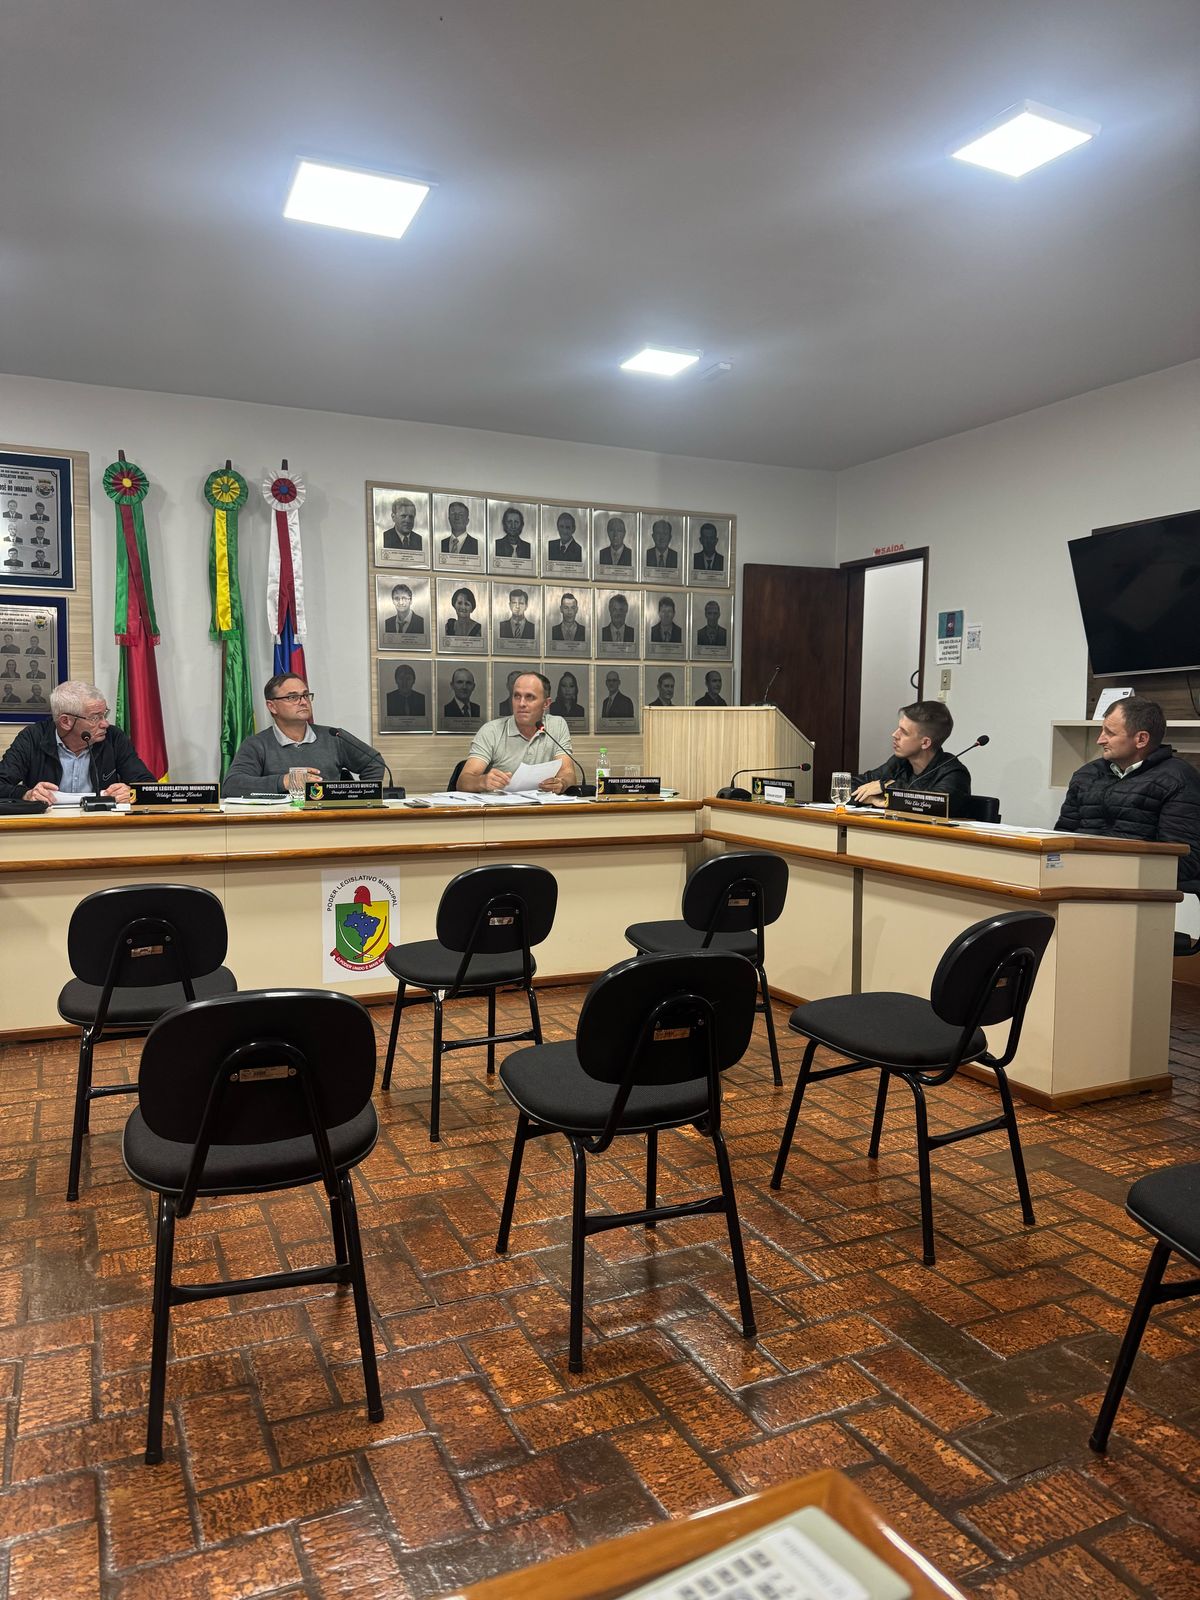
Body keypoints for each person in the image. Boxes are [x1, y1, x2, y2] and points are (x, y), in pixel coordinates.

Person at [1056, 697, 1200, 882]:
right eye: (1102, 730)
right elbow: (1062, 838)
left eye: (1110, 733)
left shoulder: (1178, 779)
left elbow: (1182, 862)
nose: (1100, 740)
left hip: (1143, 888)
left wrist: (1107, 872)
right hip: (1078, 878)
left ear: (1141, 739)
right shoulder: (1086, 774)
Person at [221, 674, 386, 798]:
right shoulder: (257, 744)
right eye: (293, 697)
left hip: (330, 822)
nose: (303, 702)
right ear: (272, 706)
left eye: (306, 695)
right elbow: (231, 786)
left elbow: (374, 763)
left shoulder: (334, 736)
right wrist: (285, 781)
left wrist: (361, 798)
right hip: (279, 824)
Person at [0, 680, 156, 803]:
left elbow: (148, 785)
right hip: (47, 824)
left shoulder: (113, 738)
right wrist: (26, 794)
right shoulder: (33, 737)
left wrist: (131, 792)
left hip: (100, 823)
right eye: (95, 718)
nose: (105, 724)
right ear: (65, 721)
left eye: (104, 714)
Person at [457, 672, 574, 793]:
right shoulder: (491, 731)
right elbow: (463, 781)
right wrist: (482, 781)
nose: (521, 703)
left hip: (541, 803)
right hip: (500, 803)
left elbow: (568, 773)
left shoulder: (557, 725)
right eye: (517, 696)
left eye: (530, 697)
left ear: (546, 703)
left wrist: (562, 783)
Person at [851, 700, 970, 807]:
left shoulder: (954, 773)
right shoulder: (900, 763)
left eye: (904, 732)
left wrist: (886, 787)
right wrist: (872, 799)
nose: (894, 735)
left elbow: (931, 804)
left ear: (925, 743)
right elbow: (846, 788)